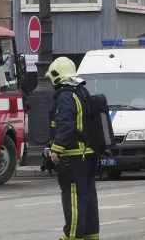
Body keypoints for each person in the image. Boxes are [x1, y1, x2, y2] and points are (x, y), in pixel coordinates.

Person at [47, 56, 100, 240]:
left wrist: (56, 149)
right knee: (88, 199)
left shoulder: (65, 95)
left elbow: (66, 124)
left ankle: (72, 237)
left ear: (56, 76)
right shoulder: (82, 92)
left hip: (74, 158)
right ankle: (91, 236)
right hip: (88, 154)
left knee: (74, 200)